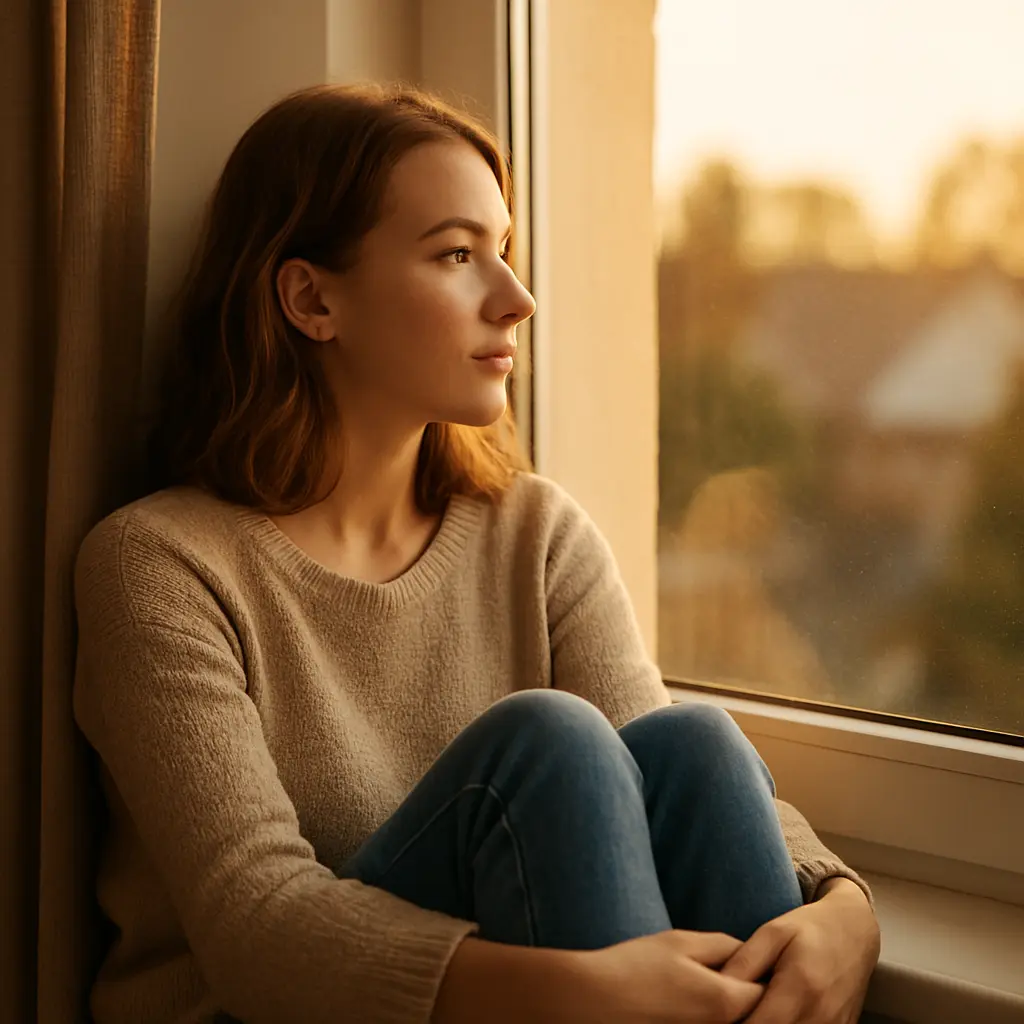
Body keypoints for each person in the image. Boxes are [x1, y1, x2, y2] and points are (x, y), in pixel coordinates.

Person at [72, 83, 880, 1024]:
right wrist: (576, 994)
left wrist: (841, 906)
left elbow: (669, 773)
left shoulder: (534, 534)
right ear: (310, 298)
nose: (518, 299)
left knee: (694, 741)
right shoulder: (160, 565)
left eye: (502, 250)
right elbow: (259, 930)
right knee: (547, 745)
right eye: (458, 255)